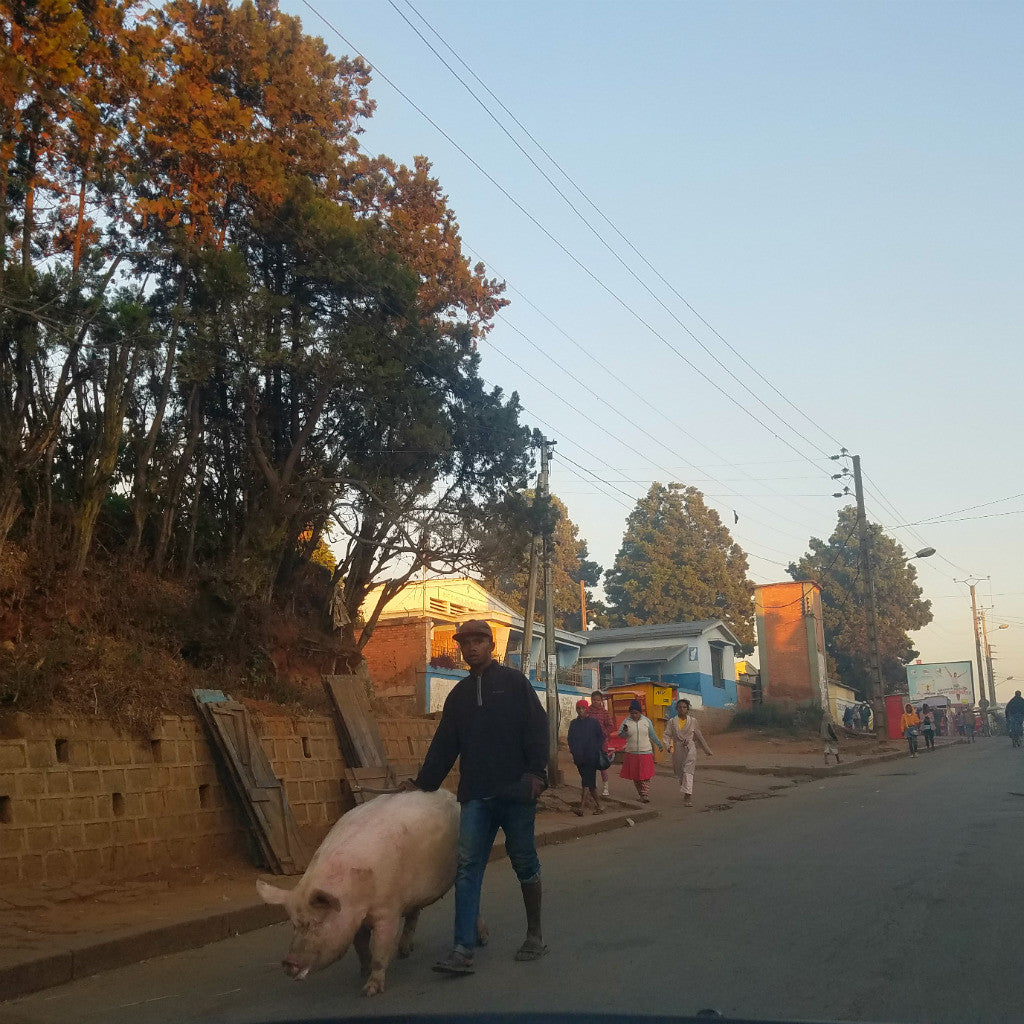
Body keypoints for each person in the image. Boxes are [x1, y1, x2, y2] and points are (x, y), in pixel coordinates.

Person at [404, 619, 549, 974]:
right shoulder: (459, 697)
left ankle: (534, 935)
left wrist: (536, 775)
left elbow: (537, 728)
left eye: (478, 640)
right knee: (467, 868)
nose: (471, 647)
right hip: (476, 797)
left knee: (524, 863)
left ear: (491, 645)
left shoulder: (515, 684)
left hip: (516, 793)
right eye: (465, 642)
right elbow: (444, 746)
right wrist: (422, 784)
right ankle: (462, 949)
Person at [662, 698, 713, 805]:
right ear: (676, 708)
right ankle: (685, 789)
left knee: (688, 771)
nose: (682, 709)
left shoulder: (693, 721)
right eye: (680, 707)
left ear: (688, 709)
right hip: (677, 748)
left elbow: (699, 736)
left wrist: (706, 749)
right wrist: (668, 746)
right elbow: (667, 735)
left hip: (690, 748)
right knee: (680, 772)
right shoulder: (672, 722)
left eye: (684, 707)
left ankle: (688, 796)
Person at [617, 699, 663, 803]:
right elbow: (620, 735)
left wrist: (659, 744)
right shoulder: (626, 722)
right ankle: (641, 794)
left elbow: (652, 734)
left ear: (640, 712)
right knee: (636, 776)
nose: (634, 715)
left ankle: (645, 794)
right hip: (631, 753)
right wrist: (624, 732)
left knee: (645, 776)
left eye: (636, 713)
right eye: (632, 713)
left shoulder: (647, 721)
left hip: (645, 752)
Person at [567, 700, 605, 816]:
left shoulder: (593, 723)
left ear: (587, 709)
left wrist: (594, 748)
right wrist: (574, 751)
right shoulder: (573, 723)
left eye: (583, 708)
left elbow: (601, 737)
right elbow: (570, 739)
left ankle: (581, 807)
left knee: (586, 782)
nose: (581, 711)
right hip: (579, 758)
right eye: (579, 708)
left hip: (591, 757)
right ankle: (600, 806)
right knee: (590, 783)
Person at [588, 690, 616, 796]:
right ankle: (592, 788)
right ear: (591, 700)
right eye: (594, 700)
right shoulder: (588, 712)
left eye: (598, 700)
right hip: (589, 744)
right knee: (591, 767)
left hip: (602, 743)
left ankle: (605, 787)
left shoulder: (605, 713)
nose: (596, 702)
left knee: (602, 766)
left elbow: (610, 726)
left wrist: (603, 734)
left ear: (601, 701)